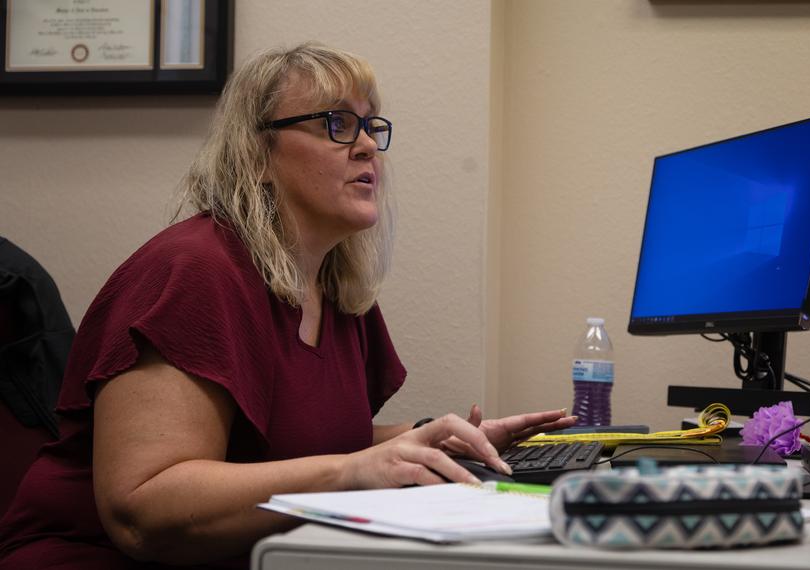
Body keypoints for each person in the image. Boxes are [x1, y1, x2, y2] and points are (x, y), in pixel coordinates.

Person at [0, 43, 576, 569]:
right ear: (256, 152)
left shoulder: (337, 289)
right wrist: (353, 472)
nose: (369, 145)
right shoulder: (193, 270)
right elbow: (143, 509)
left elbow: (297, 442)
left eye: (372, 125)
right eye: (337, 123)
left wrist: (433, 443)